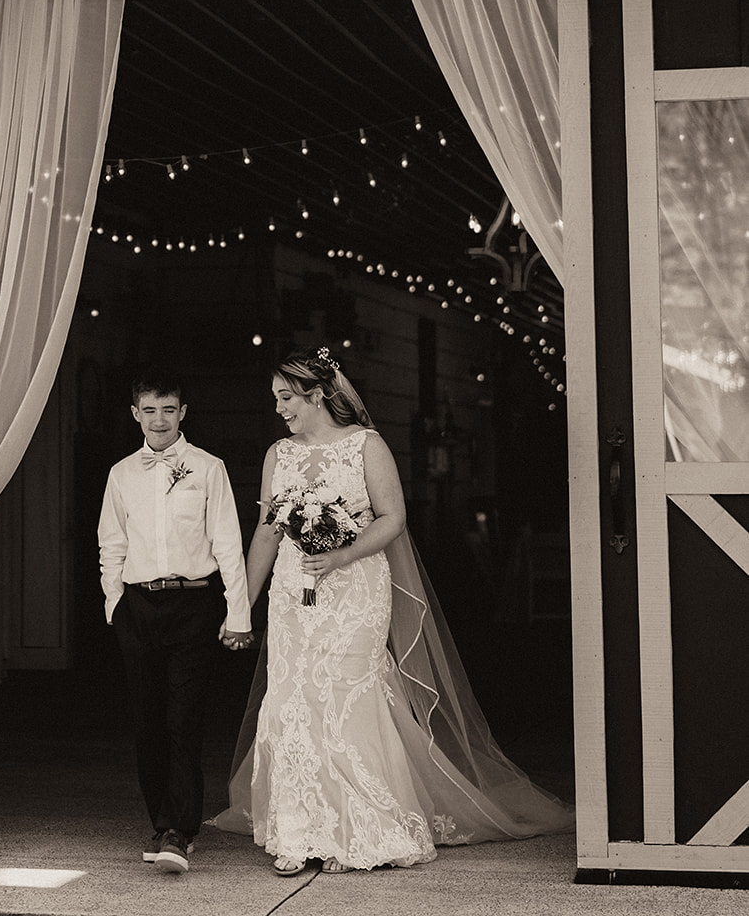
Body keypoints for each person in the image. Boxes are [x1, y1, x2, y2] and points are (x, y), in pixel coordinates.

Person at [214, 345, 573, 875]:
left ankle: (359, 829)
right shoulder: (278, 455)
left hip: (355, 585)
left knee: (347, 693)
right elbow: (268, 531)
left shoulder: (366, 446)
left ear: (317, 394)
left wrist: (339, 554)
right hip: (295, 592)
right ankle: (300, 831)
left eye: (287, 397)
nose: (279, 409)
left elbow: (392, 519)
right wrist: (240, 606)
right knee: (292, 694)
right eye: (275, 399)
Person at [98, 375, 254, 875]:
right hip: (138, 607)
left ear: (183, 412)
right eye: (149, 410)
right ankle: (161, 822)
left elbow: (228, 543)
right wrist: (114, 604)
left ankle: (179, 831)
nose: (159, 419)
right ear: (135, 413)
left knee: (182, 718)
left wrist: (238, 612)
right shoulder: (122, 474)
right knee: (147, 719)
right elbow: (111, 543)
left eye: (168, 409)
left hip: (193, 605)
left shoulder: (209, 469)